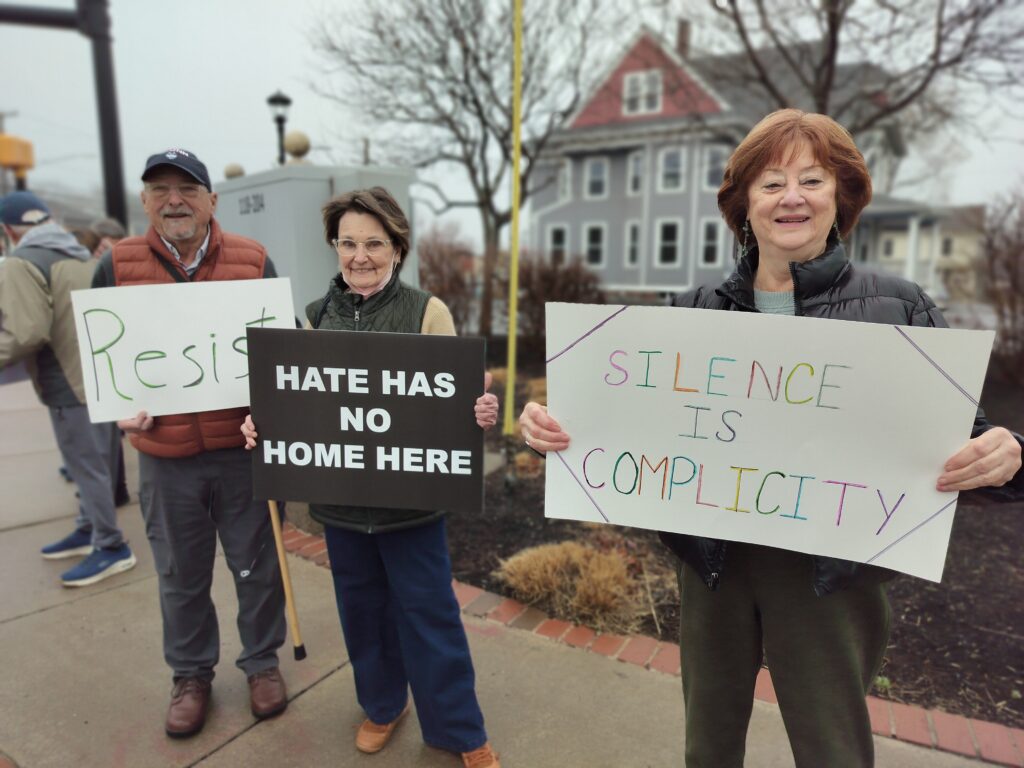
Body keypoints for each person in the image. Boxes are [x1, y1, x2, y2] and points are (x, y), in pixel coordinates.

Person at [519, 109, 1024, 768]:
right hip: (714, 567)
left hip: (827, 578)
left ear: (841, 196)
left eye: (812, 180)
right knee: (708, 743)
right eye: (770, 183)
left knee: (832, 749)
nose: (791, 197)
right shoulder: (694, 309)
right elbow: (624, 422)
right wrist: (556, 429)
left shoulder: (898, 305)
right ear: (743, 206)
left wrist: (1006, 455)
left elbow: (966, 442)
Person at [242, 187, 503, 768]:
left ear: (397, 248)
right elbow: (297, 401)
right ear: (335, 246)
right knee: (362, 617)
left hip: (411, 506)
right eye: (348, 243)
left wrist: (478, 411)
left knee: (431, 618)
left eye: (373, 243)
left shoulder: (426, 311)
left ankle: (458, 729)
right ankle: (383, 706)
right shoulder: (313, 316)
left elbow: (455, 404)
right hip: (341, 505)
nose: (360, 256)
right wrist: (265, 425)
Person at [93, 148, 288, 739]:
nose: (173, 200)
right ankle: (190, 674)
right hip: (165, 457)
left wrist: (274, 410)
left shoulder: (253, 261)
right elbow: (100, 354)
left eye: (187, 188)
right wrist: (117, 410)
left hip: (241, 451)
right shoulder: (116, 265)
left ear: (211, 200)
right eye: (159, 189)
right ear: (145, 200)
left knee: (257, 565)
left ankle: (261, 663)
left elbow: (281, 352)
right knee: (180, 573)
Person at [0, 190, 136, 587]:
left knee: (85, 466)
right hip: (101, 375)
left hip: (66, 382)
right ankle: (88, 526)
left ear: (9, 229)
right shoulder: (79, 253)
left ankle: (110, 545)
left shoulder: (21, 262)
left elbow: (26, 332)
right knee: (99, 461)